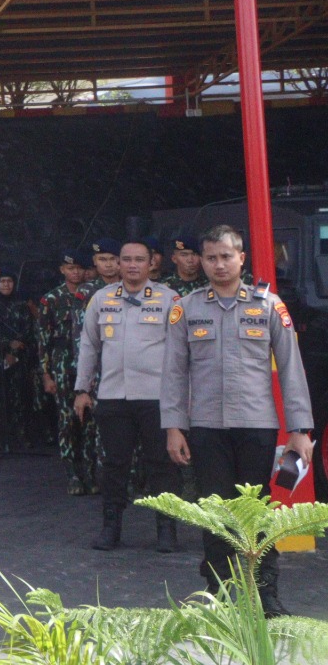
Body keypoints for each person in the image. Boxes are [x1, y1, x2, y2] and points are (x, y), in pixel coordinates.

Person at [162, 225, 315, 616]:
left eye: (226, 256)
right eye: (211, 257)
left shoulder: (267, 306)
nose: (219, 264)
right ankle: (220, 593)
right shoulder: (187, 308)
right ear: (202, 261)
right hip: (207, 427)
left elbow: (293, 371)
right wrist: (174, 427)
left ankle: (266, 594)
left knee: (258, 513)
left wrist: (300, 431)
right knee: (217, 513)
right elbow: (174, 372)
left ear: (241, 258)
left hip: (256, 427)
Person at [72, 240, 180, 552]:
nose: (132, 265)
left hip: (156, 398)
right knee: (114, 465)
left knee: (162, 464)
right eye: (126, 260)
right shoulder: (101, 299)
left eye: (139, 260)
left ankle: (166, 528)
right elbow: (89, 346)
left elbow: (180, 351)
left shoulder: (169, 299)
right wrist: (82, 390)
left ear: (152, 263)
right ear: (118, 263)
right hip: (113, 396)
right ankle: (111, 527)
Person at [38, 251, 97, 495]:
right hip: (62, 363)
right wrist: (46, 374)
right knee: (67, 420)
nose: (75, 272)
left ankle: (92, 473)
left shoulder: (93, 295)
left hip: (89, 360)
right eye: (69, 268)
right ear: (62, 270)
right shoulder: (52, 299)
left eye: (79, 269)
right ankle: (72, 474)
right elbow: (42, 340)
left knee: (91, 421)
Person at [0, 266, 35, 452]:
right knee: (0, 399)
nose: (6, 285)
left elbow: (30, 329)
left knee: (21, 399)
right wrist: (7, 345)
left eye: (9, 281)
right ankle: (2, 439)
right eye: (2, 282)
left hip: (20, 359)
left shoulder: (21, 304)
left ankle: (23, 436)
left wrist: (17, 346)